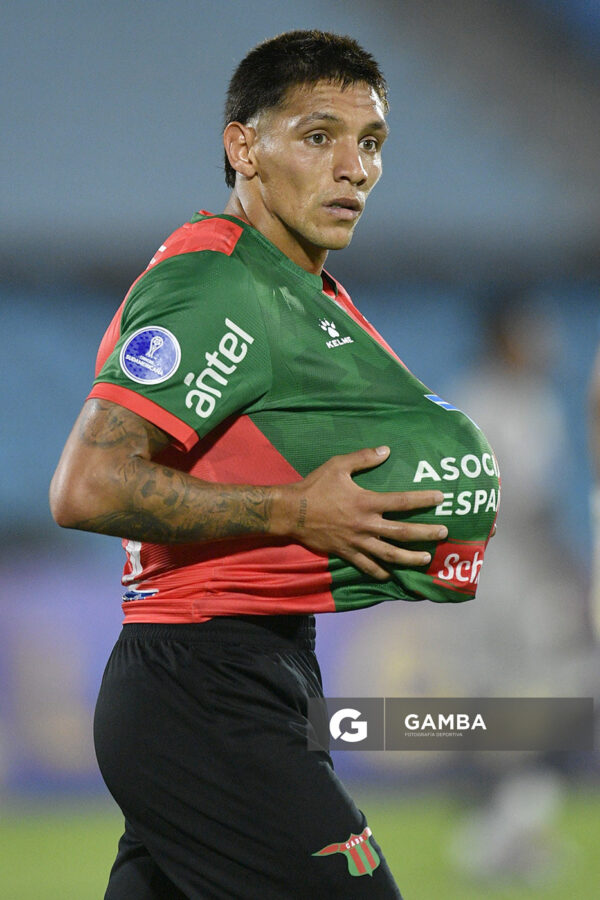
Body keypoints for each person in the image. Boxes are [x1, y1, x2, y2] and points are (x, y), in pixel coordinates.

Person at [50, 30, 499, 899]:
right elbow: (87, 483)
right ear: (243, 146)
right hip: (202, 687)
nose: (354, 169)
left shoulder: (295, 288)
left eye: (370, 144)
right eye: (318, 136)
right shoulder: (221, 285)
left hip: (256, 671)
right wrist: (295, 512)